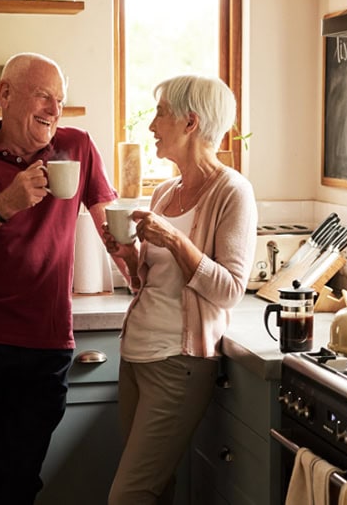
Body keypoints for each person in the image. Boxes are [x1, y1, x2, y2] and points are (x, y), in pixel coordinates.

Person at [0, 52, 118, 505]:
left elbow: (110, 230)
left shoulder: (78, 147)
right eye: (43, 96)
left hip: (43, 347)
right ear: (5, 94)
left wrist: (139, 265)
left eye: (61, 100)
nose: (54, 109)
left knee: (17, 485)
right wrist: (4, 204)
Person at [104, 74, 258, 504]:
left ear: (190, 123)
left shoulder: (233, 192)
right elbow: (146, 283)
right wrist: (126, 255)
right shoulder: (164, 193)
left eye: (160, 114)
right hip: (136, 355)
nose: (152, 125)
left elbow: (230, 289)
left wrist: (173, 239)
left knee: (129, 496)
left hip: (178, 363)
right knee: (156, 489)